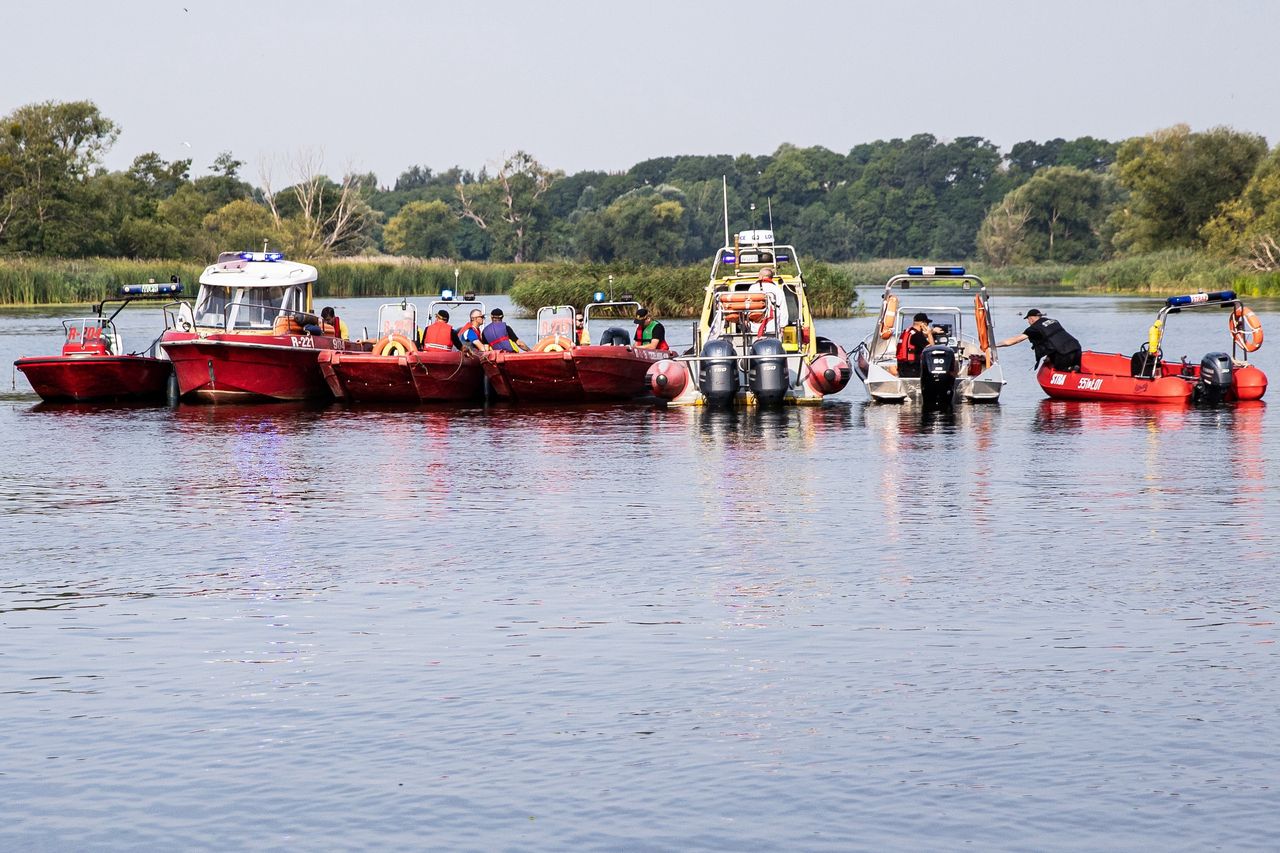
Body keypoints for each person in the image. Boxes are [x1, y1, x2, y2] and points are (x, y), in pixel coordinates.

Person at [997, 308, 1082, 370]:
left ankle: (1069, 368)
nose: (1028, 322)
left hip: (1064, 353)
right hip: (1077, 348)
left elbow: (1015, 340)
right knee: (1074, 367)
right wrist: (1050, 356)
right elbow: (1054, 340)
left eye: (1028, 320)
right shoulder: (1054, 321)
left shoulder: (1035, 328)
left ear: (1031, 318)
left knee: (1059, 369)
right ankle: (1074, 367)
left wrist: (995, 345)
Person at [888, 312, 934, 377]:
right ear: (923, 323)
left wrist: (931, 332)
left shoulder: (907, 331)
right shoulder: (917, 335)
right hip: (913, 368)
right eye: (927, 324)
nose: (928, 326)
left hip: (902, 366)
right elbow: (931, 349)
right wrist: (929, 334)